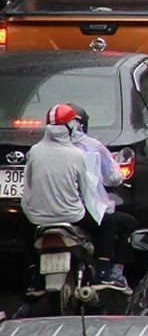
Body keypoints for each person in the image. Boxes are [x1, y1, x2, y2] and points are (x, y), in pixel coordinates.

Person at [21, 105, 109, 284]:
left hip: (37, 219)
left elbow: (27, 187)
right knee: (109, 224)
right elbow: (87, 192)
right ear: (70, 127)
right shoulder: (76, 154)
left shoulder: (34, 152)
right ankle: (102, 276)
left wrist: (30, 212)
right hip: (73, 216)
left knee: (24, 234)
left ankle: (34, 278)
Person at [66, 106, 132, 286]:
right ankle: (108, 273)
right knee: (114, 222)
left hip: (45, 213)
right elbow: (113, 177)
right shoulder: (91, 148)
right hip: (78, 212)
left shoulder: (38, 150)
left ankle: (34, 278)